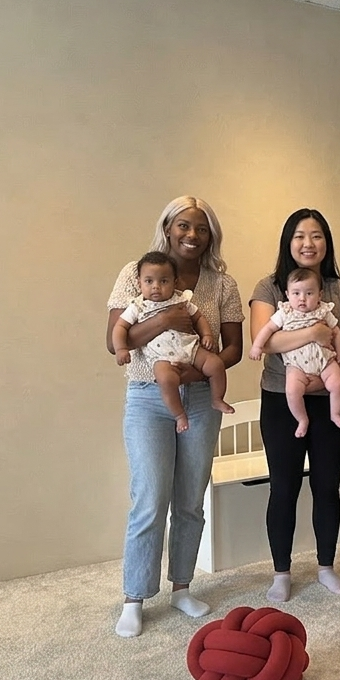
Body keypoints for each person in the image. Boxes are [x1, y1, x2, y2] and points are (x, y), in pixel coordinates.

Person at [105, 197, 244, 638]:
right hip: (148, 396)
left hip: (201, 397)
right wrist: (168, 316)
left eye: (201, 229)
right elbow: (116, 342)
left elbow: (233, 347)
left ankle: (182, 587)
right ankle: (134, 597)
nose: (191, 235)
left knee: (190, 499)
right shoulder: (136, 272)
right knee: (149, 498)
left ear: (211, 236)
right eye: (183, 226)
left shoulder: (221, 285)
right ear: (167, 228)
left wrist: (203, 364)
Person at [250, 209, 340, 602]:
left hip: (332, 396)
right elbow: (265, 341)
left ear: (326, 243)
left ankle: (326, 566)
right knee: (283, 486)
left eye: (317, 236)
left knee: (327, 485)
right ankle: (281, 572)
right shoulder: (269, 288)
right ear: (288, 241)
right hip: (282, 399)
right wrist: (315, 333)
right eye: (300, 236)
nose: (308, 243)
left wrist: (326, 376)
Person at [113, 251, 234, 432]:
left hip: (191, 348)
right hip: (161, 358)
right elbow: (119, 328)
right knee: (166, 379)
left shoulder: (181, 300)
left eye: (164, 281)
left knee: (215, 364)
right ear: (139, 283)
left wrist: (207, 335)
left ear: (174, 282)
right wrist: (121, 348)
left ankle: (216, 399)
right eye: (149, 281)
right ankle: (179, 415)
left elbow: (198, 317)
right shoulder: (137, 306)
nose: (156, 287)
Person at [249, 267, 340, 435]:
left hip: (325, 361)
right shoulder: (285, 312)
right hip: (296, 365)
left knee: (337, 383)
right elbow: (267, 329)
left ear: (320, 295)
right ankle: (302, 419)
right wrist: (257, 346)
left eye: (309, 293)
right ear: (288, 294)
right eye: (296, 293)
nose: (302, 298)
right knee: (292, 391)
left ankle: (335, 413)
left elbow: (337, 332)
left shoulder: (323, 311)